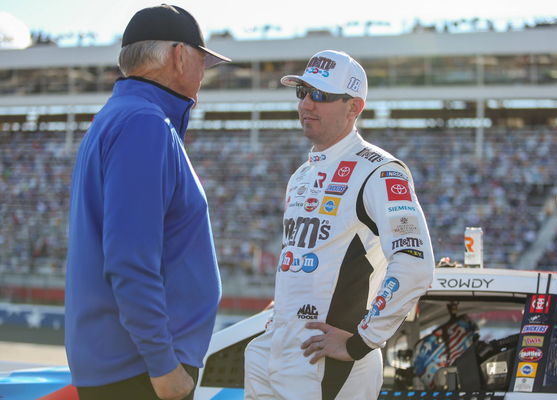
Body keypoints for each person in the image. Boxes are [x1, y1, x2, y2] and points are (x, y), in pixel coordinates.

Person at [244, 50, 435, 400]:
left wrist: (361, 341)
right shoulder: (302, 174)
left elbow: (415, 264)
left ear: (354, 107)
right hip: (276, 353)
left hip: (328, 364)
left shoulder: (381, 170)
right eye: (303, 93)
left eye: (321, 95)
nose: (307, 105)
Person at [64, 5, 231, 400]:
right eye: (202, 59)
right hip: (142, 370)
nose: (204, 72)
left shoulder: (121, 115)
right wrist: (163, 364)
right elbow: (130, 258)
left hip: (128, 364)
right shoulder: (144, 123)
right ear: (178, 55)